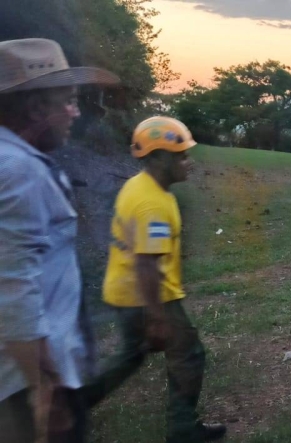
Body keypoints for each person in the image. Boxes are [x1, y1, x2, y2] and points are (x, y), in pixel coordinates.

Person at [0, 38, 118, 443]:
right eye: (68, 100)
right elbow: (13, 291)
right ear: (35, 109)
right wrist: (46, 387)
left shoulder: (14, 160)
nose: (76, 111)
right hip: (22, 385)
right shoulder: (18, 171)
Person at [87, 116, 226, 442]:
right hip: (148, 296)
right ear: (160, 159)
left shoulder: (140, 186)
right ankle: (182, 430)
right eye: (181, 156)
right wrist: (157, 319)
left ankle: (75, 400)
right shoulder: (152, 204)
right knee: (188, 354)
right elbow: (147, 264)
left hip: (124, 291)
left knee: (131, 355)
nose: (188, 162)